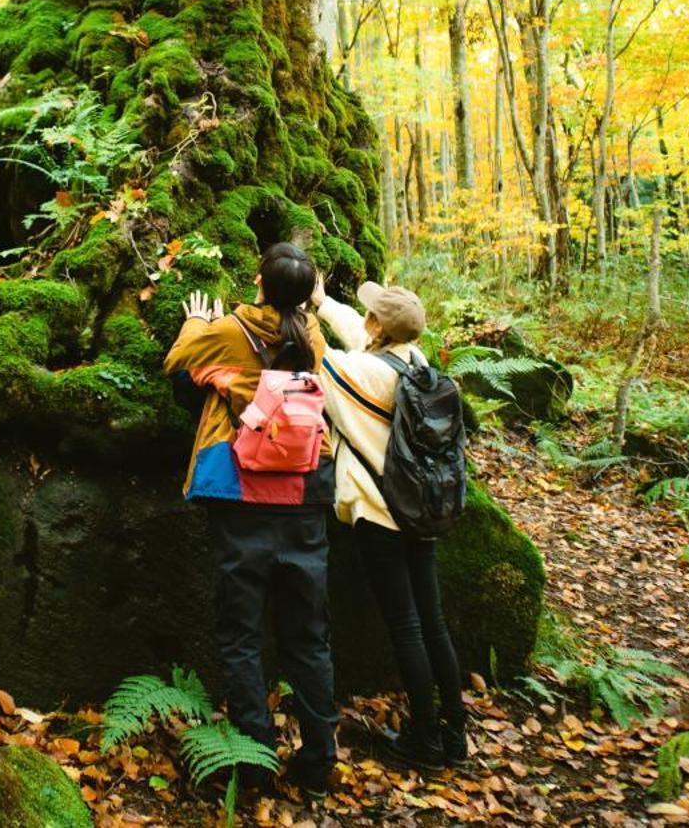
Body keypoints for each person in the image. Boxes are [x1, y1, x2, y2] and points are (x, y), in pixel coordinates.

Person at [165, 242, 339, 797]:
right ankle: (318, 762)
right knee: (308, 636)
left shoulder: (230, 331)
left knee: (241, 634)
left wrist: (196, 324)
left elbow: (177, 363)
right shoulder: (312, 336)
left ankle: (256, 762)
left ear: (259, 283)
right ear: (308, 292)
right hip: (308, 490)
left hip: (242, 494)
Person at [315, 279, 468, 770]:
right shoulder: (420, 367)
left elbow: (315, 353)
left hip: (380, 513)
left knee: (405, 626)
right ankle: (454, 733)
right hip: (423, 508)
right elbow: (359, 342)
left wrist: (296, 306)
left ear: (378, 325)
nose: (363, 319)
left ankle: (422, 741)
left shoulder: (353, 372)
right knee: (433, 621)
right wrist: (323, 303)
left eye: (369, 313)